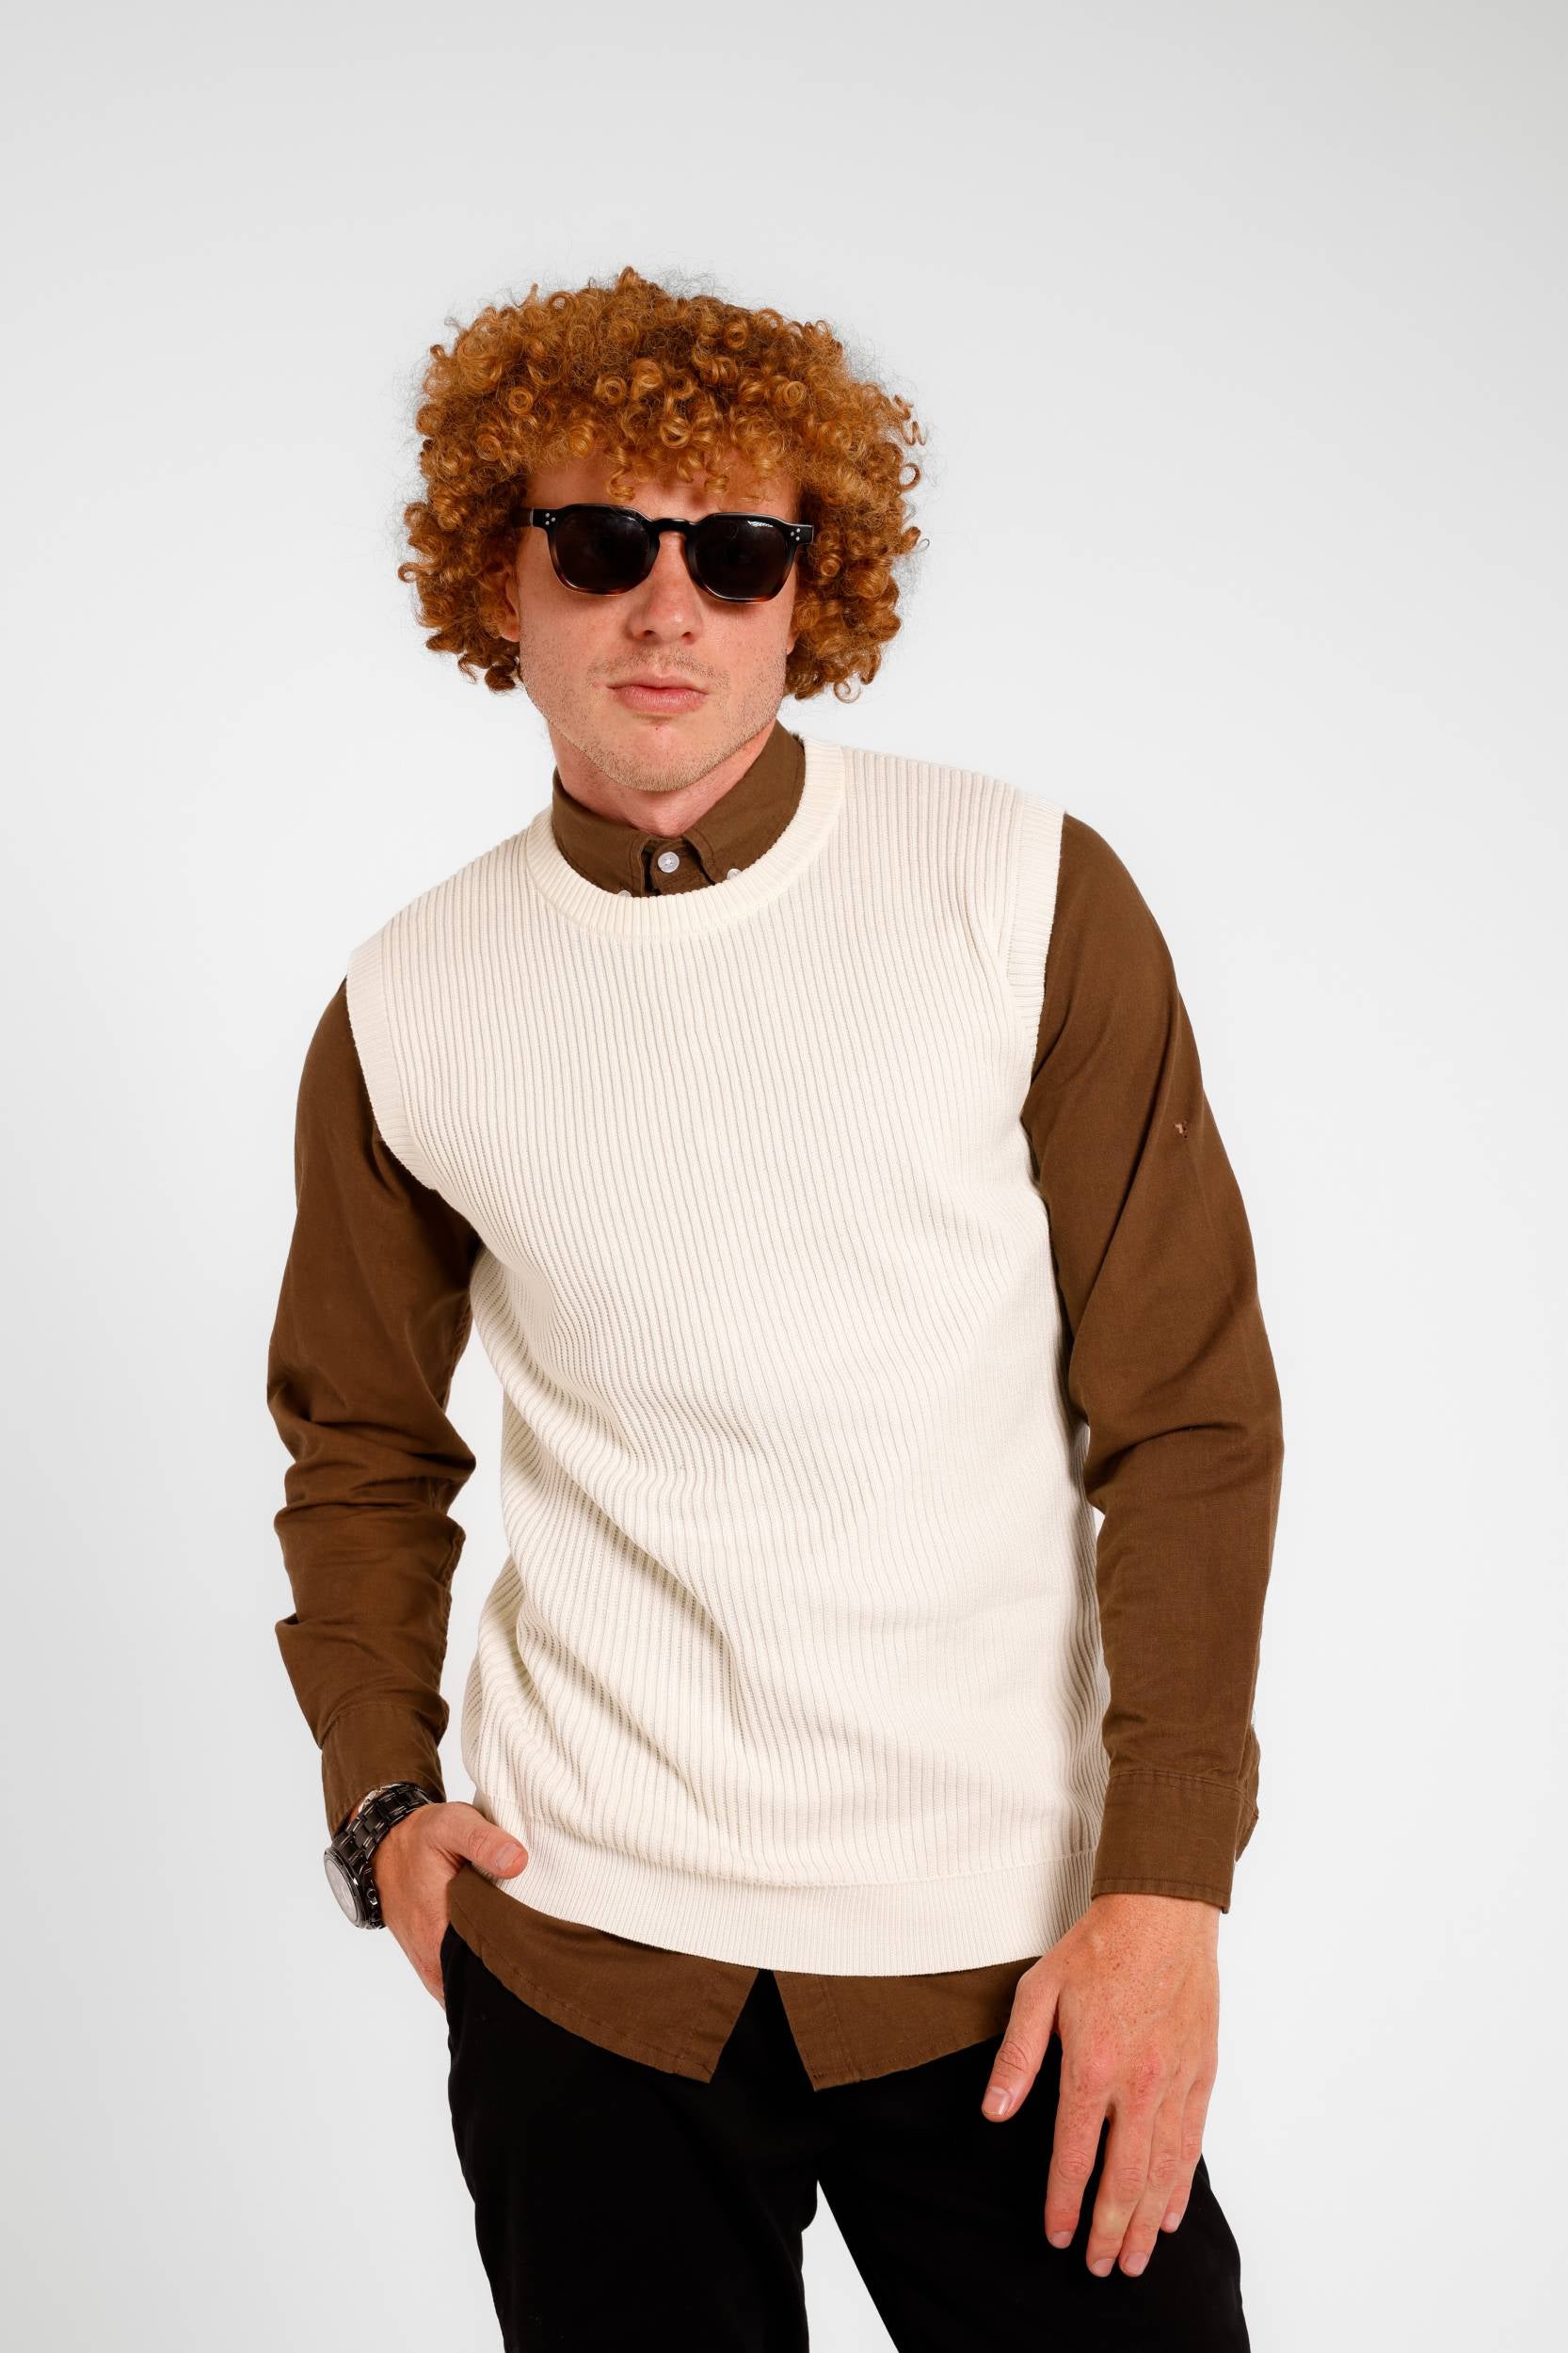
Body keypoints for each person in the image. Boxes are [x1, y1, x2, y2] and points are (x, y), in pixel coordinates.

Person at [267, 264, 1284, 2351]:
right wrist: (381, 1801)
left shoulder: (1020, 893)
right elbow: (357, 1441)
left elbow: (1184, 1415)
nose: (668, 608)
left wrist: (1168, 1884)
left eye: (734, 550)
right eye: (599, 543)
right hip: (586, 1964)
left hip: (1011, 1960)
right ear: (499, 571)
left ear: (806, 587)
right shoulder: (407, 1002)